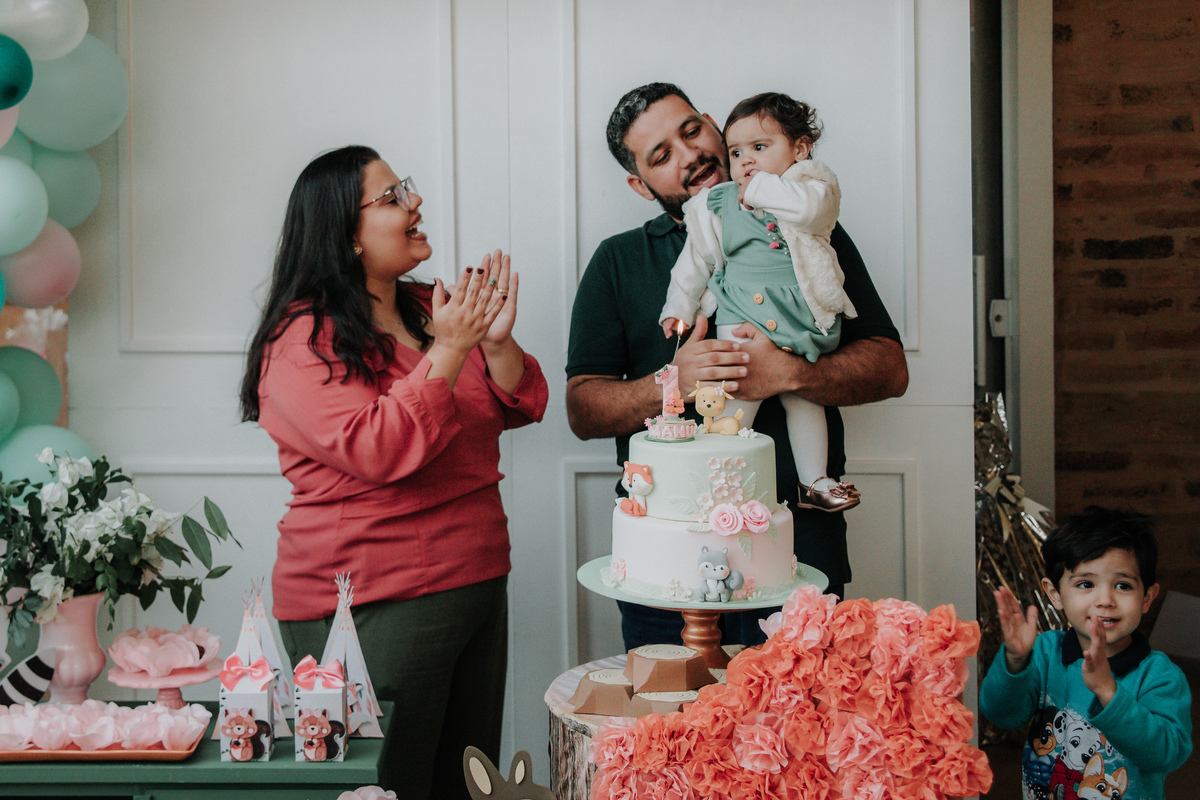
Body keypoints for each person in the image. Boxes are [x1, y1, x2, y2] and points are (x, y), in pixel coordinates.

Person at [239, 146, 547, 800]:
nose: (415, 203)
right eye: (391, 197)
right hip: (377, 592)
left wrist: (491, 342)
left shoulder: (425, 308)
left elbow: (513, 406)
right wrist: (454, 345)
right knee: (386, 788)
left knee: (464, 785)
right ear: (345, 235)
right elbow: (377, 447)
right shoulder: (302, 338)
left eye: (406, 187)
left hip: (477, 579)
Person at [566, 83, 908, 650]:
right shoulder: (618, 262)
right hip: (668, 576)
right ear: (640, 183)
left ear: (711, 124)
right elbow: (583, 408)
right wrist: (673, 382)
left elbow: (890, 368)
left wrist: (790, 373)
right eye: (661, 156)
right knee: (676, 733)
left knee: (797, 734)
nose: (690, 154)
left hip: (801, 556)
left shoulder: (806, 230)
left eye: (692, 131)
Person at [660, 91, 861, 512]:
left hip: (794, 315)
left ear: (800, 149)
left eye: (759, 148)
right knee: (737, 398)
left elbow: (807, 212)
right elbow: (694, 262)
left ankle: (815, 482)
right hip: (740, 313)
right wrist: (678, 309)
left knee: (804, 397)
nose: (745, 161)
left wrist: (764, 187)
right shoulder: (715, 204)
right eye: (735, 152)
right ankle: (719, 485)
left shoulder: (813, 189)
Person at [979, 506, 1192, 800]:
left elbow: (1166, 755)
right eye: (1086, 584)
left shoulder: (1160, 676)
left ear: (1147, 598)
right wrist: (1015, 661)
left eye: (1123, 585)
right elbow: (1001, 714)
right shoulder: (1045, 652)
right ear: (1055, 594)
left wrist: (1109, 692)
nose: (1105, 600)